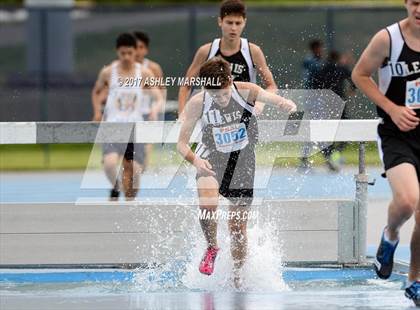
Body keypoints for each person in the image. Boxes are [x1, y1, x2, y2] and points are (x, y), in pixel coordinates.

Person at [177, 57, 296, 288]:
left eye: (223, 93)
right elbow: (181, 144)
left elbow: (271, 98)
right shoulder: (197, 103)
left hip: (242, 163)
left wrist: (285, 104)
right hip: (210, 159)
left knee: (237, 228)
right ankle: (212, 246)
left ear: (230, 81)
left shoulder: (246, 91)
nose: (221, 100)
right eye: (215, 96)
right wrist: (195, 160)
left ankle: (238, 275)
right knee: (207, 207)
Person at [352, 0, 420, 306]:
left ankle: (414, 280)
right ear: (407, 4)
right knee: (407, 202)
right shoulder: (387, 39)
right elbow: (360, 75)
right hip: (398, 134)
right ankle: (390, 234)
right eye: (416, 3)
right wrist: (392, 109)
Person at [91, 33, 163, 201]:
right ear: (117, 52)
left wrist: (154, 109)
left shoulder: (144, 73)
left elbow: (158, 96)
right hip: (113, 126)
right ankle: (116, 186)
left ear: (135, 52)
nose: (126, 57)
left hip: (134, 128)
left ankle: (130, 197)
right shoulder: (108, 72)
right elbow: (96, 91)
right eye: (123, 53)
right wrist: (97, 111)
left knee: (137, 171)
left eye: (130, 53)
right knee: (109, 164)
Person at [178, 0, 277, 117]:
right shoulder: (206, 51)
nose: (233, 28)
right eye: (229, 23)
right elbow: (186, 85)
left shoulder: (253, 51)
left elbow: (271, 85)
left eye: (238, 23)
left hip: (243, 116)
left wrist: (260, 103)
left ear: (244, 22)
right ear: (220, 21)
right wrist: (182, 114)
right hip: (212, 116)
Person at [133, 31, 165, 169]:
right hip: (128, 114)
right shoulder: (121, 68)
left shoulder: (153, 68)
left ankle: (140, 168)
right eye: (134, 47)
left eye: (140, 47)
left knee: (144, 151)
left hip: (148, 112)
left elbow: (161, 90)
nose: (137, 51)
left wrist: (157, 109)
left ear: (145, 50)